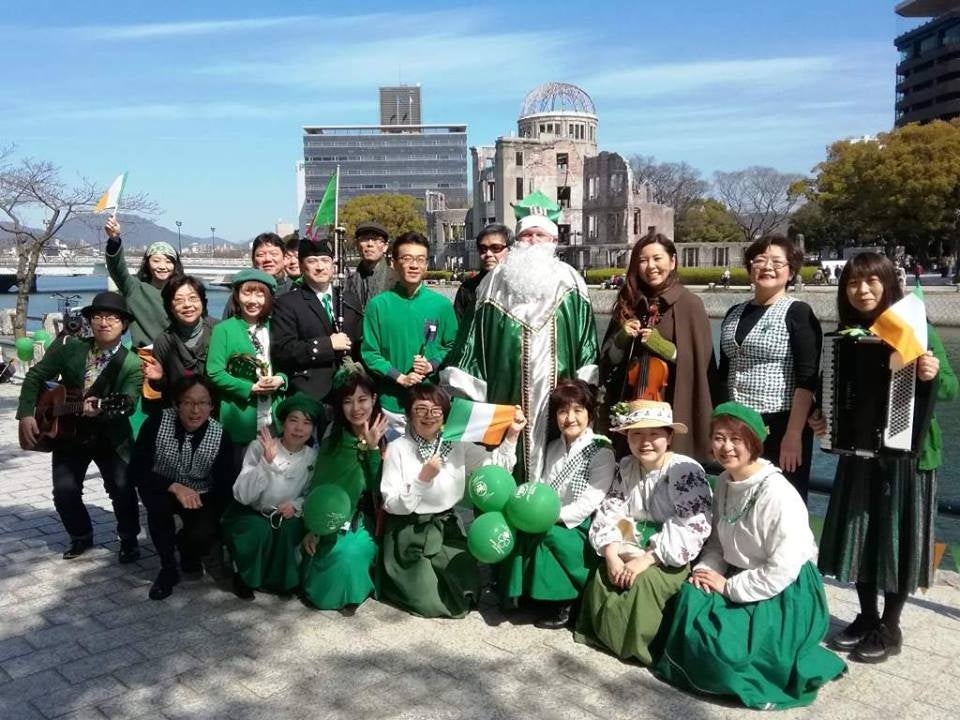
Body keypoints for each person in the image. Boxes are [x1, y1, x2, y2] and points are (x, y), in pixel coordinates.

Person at [811, 252, 957, 664]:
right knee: (861, 534)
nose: (862, 290)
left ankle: (890, 625)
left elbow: (949, 389)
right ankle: (866, 616)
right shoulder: (846, 334)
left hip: (909, 455)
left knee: (897, 537)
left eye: (871, 282)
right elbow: (837, 393)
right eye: (854, 283)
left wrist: (931, 371)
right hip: (858, 453)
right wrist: (824, 418)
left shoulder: (915, 328)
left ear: (888, 283)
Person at [653, 402, 845, 710]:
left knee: (732, 654)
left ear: (753, 442)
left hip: (785, 589)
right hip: (738, 573)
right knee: (691, 599)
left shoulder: (779, 495)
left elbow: (784, 567)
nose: (726, 447)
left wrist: (730, 588)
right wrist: (706, 571)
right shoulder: (725, 484)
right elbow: (717, 543)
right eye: (719, 438)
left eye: (736, 439)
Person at [443, 191, 598, 483]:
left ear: (553, 241)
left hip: (559, 397)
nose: (534, 241)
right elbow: (471, 346)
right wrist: (469, 395)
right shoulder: (493, 283)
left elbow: (586, 342)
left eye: (541, 235)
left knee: (558, 464)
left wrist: (585, 392)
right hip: (504, 393)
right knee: (501, 469)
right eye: (527, 235)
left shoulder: (572, 282)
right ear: (517, 240)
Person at [575, 399, 712, 665]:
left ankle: (640, 645)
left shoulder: (684, 471)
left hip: (669, 551)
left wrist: (646, 558)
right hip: (632, 538)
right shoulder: (627, 467)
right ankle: (607, 636)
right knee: (607, 572)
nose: (645, 442)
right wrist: (614, 552)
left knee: (644, 581)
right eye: (636, 434)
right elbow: (613, 510)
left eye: (654, 434)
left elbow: (691, 525)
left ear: (669, 436)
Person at [16, 292, 143, 562]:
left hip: (111, 436)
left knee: (121, 488)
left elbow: (129, 402)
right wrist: (26, 413)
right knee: (64, 490)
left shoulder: (131, 363)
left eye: (112, 317)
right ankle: (81, 535)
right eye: (98, 316)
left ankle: (129, 539)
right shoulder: (71, 348)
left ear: (124, 324)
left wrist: (102, 410)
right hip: (68, 433)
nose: (104, 322)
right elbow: (36, 375)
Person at [380, 385, 525, 618]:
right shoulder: (398, 449)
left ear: (446, 415)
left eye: (436, 410)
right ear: (408, 414)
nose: (429, 416)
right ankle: (396, 578)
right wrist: (422, 480)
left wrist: (512, 435)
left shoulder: (456, 443)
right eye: (420, 410)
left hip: (446, 528)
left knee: (467, 595)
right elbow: (392, 503)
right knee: (434, 604)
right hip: (409, 532)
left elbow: (495, 471)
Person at [500, 379, 615, 629]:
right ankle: (529, 594)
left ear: (590, 413)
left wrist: (550, 517)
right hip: (549, 515)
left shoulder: (601, 451)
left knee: (547, 534)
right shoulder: (552, 446)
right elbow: (541, 485)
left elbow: (590, 502)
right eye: (563, 411)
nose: (570, 418)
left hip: (580, 525)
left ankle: (566, 600)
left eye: (577, 410)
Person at [717, 235, 821, 501]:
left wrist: (794, 435)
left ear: (791, 271)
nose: (767, 267)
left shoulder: (798, 313)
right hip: (739, 427)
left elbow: (806, 379)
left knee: (779, 502)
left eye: (777, 261)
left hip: (780, 425)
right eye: (760, 260)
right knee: (740, 499)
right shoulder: (734, 313)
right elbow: (724, 371)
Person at [600, 233, 716, 461]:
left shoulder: (690, 303)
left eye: (657, 258)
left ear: (672, 261)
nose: (650, 266)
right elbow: (608, 361)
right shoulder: (629, 302)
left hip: (671, 406)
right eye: (643, 260)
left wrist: (664, 348)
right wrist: (622, 338)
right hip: (631, 406)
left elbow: (701, 364)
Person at [131, 375, 235, 600]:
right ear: (176, 404)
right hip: (162, 486)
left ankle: (188, 545)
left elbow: (225, 485)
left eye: (203, 403)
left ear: (211, 406)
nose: (195, 410)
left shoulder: (220, 435)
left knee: (202, 532)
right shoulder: (157, 422)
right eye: (188, 402)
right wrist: (173, 486)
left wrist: (209, 521)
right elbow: (137, 469)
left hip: (201, 492)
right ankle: (168, 569)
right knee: (158, 509)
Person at [300, 364, 388, 611]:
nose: (356, 408)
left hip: (364, 518)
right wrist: (314, 526)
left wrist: (372, 450)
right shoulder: (333, 441)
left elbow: (379, 489)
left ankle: (352, 592)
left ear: (374, 399)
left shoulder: (386, 438)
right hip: (332, 515)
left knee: (348, 554)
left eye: (362, 399)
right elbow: (320, 485)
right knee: (322, 551)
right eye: (348, 401)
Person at [222, 393, 322, 599]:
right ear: (283, 423)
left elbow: (310, 492)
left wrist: (296, 505)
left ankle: (283, 581)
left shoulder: (312, 457)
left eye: (306, 423)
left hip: (285, 513)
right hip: (253, 511)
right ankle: (243, 576)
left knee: (290, 529)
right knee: (257, 531)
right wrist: (265, 463)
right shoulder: (259, 447)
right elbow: (243, 495)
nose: (299, 428)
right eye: (293, 420)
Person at [361, 231, 458, 425]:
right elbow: (370, 353)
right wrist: (400, 377)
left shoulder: (441, 305)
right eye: (406, 258)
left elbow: (453, 345)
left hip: (430, 405)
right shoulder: (378, 305)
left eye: (420, 259)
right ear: (394, 263)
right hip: (391, 407)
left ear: (427, 264)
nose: (414, 265)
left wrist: (433, 364)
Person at [206, 269, 287, 467]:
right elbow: (214, 372)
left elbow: (288, 363)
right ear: (237, 296)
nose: (253, 300)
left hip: (274, 418)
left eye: (260, 294)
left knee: (274, 479)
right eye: (247, 293)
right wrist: (249, 388)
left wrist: (281, 379)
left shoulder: (276, 325)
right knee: (241, 480)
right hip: (240, 420)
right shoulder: (224, 329)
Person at [271, 237, 362, 405]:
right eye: (312, 261)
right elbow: (282, 350)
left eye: (325, 261)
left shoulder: (349, 300)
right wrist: (327, 345)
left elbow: (360, 344)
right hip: (310, 395)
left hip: (349, 395)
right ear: (301, 265)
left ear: (333, 265)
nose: (320, 267)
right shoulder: (287, 303)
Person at [104, 216, 183, 347]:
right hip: (146, 358)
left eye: (168, 261)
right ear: (147, 264)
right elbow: (117, 269)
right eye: (156, 261)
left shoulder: (182, 292)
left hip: (178, 356)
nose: (163, 266)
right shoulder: (135, 288)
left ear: (175, 266)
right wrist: (114, 240)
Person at [143, 275, 217, 403]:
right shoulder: (163, 341)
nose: (187, 305)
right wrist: (158, 378)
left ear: (203, 302)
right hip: (179, 412)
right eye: (179, 300)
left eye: (193, 298)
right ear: (170, 307)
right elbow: (161, 388)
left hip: (215, 409)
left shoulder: (219, 331)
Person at [222, 233, 292, 318]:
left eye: (274, 254)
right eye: (261, 255)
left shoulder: (294, 289)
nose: (268, 259)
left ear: (284, 258)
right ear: (253, 260)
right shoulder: (241, 293)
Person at [453, 223, 512, 321]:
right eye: (483, 249)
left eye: (496, 248)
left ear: (509, 250)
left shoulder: (517, 287)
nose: (488, 254)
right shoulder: (467, 289)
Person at [346, 221, 397, 311]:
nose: (370, 244)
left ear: (385, 247)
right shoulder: (348, 282)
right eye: (365, 239)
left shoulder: (397, 280)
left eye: (375, 240)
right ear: (357, 245)